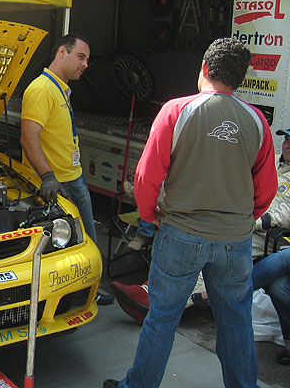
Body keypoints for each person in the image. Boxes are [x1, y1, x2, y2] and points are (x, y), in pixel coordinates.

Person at [103, 37, 278, 388]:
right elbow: (266, 190)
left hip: (181, 233)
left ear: (205, 68)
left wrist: (150, 216)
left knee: (162, 317)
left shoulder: (177, 110)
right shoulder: (256, 121)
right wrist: (239, 220)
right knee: (236, 321)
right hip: (235, 242)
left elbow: (146, 178)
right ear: (240, 79)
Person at [112, 128, 290, 330]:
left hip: (262, 232)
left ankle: (157, 303)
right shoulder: (270, 160)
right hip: (234, 215)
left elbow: (287, 213)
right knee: (187, 229)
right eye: (286, 139)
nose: (288, 145)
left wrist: (255, 221)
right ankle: (150, 291)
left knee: (212, 249)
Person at [20, 33, 114, 305]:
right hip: (58, 185)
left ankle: (88, 291)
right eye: (81, 57)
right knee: (70, 246)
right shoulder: (41, 89)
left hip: (73, 178)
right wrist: (48, 176)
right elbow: (28, 138)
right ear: (62, 52)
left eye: (87, 59)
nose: (85, 64)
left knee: (87, 243)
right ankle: (75, 296)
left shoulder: (60, 88)